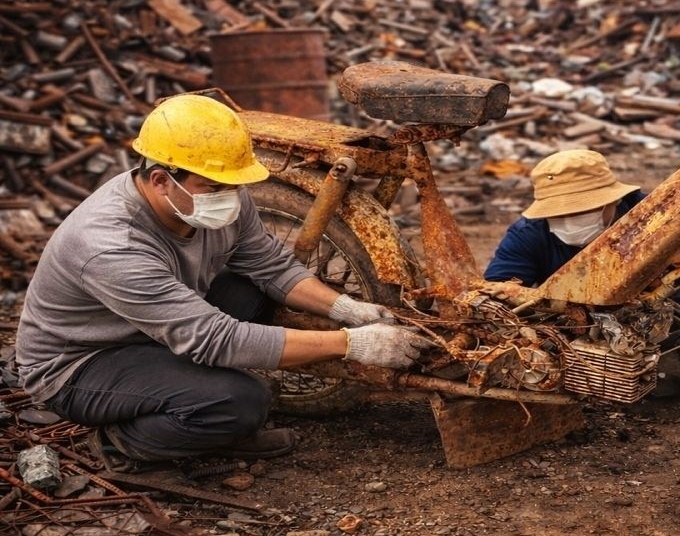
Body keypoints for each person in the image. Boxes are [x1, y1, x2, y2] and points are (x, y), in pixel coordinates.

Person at [16, 95, 432, 470]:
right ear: (161, 180)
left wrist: (344, 308)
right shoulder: (109, 246)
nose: (230, 198)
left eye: (234, 186)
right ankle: (124, 440)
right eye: (215, 188)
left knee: (252, 290)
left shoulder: (214, 194)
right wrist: (354, 344)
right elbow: (213, 338)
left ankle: (189, 398)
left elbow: (270, 265)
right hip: (84, 361)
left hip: (159, 325)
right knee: (242, 402)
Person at [484, 149, 680, 398]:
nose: (569, 219)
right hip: (567, 322)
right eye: (560, 213)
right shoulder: (528, 233)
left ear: (614, 200)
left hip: (652, 318)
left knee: (670, 383)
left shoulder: (652, 217)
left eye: (581, 211)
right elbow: (497, 290)